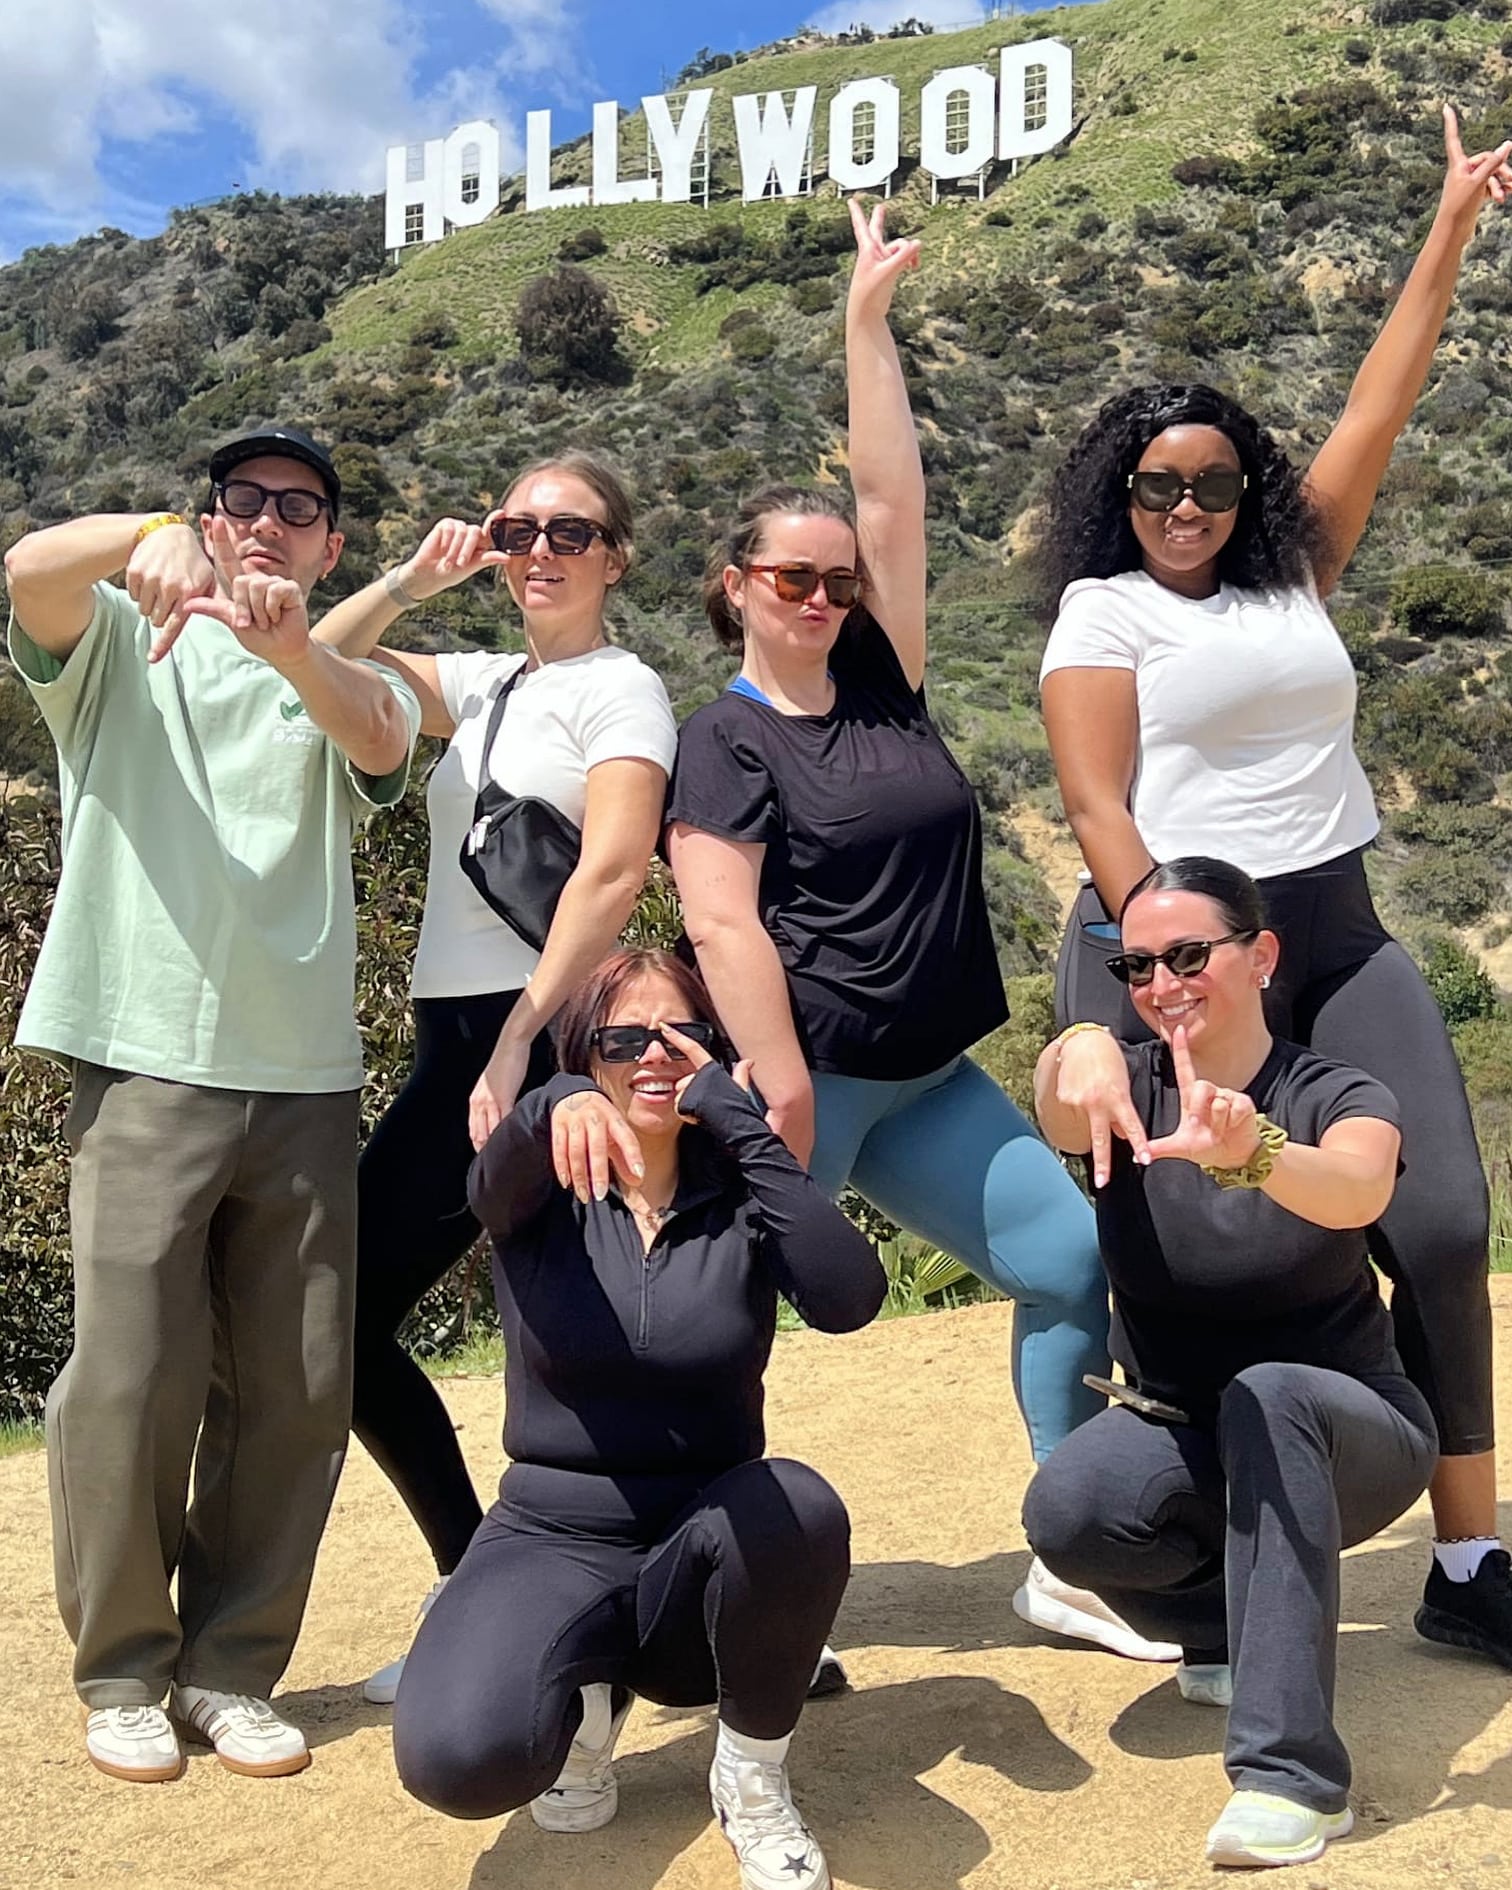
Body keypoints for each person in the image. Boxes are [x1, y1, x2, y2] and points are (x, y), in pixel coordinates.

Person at [1037, 107, 1512, 1667]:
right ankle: (1181, 1556)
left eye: (1220, 483)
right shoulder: (1101, 613)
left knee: (1438, 1224)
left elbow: (1382, 402)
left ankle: (1470, 1555)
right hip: (1165, 942)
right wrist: (1173, 967)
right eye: (1163, 485)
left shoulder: (1290, 572)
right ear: (1122, 494)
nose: (1192, 508)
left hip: (1339, 924)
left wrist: (1448, 224)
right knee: (1188, 1243)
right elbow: (1101, 801)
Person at [665, 201, 1165, 1663]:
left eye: (834, 580)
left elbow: (891, 505)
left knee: (1073, 1265)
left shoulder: (885, 683)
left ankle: (1071, 1555)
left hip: (927, 1078)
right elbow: (718, 911)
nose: (822, 594)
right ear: (734, 591)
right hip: (801, 1082)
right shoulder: (725, 737)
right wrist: (771, 1076)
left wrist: (864, 329)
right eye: (789, 579)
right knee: (722, 1332)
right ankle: (719, 1597)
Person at [3, 426, 422, 1783]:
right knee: (129, 1379)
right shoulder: (122, 651)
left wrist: (297, 646)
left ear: (330, 546)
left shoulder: (340, 676)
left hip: (302, 1071)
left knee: (297, 1389)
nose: (266, 521)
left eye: (298, 509)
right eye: (242, 499)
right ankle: (123, 1668)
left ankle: (230, 1667)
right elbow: (25, 573)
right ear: (211, 513)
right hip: (140, 1055)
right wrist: (138, 537)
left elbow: (374, 737)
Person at [391, 948, 884, 1890]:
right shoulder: (539, 1191)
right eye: (623, 1039)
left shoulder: (739, 1191)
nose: (654, 1056)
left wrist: (741, 1121)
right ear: (586, 1056)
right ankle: (584, 1702)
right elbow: (486, 1185)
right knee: (455, 1760)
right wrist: (548, 1105)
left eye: (681, 1035)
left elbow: (848, 1295)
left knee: (802, 1507)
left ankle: (750, 1777)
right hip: (549, 1534)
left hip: (708, 1547)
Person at [309, 452, 678, 1701]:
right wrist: (411, 582)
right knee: (344, 1318)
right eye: (519, 529)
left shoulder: (623, 691)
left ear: (616, 554)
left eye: (570, 531)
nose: (538, 552)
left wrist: (525, 1036)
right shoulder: (485, 685)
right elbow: (316, 658)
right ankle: (481, 1585)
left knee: (605, 1333)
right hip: (452, 1046)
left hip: (562, 1041)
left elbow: (616, 872)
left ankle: (692, 1593)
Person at [1025, 857, 1436, 1869]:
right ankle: (1216, 1626)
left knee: (1271, 1395)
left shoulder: (1334, 1090)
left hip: (1352, 1438)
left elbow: (1356, 1190)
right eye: (1138, 968)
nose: (1162, 986)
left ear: (1261, 956)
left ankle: (1291, 1778)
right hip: (1188, 1434)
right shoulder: (1125, 1085)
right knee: (1067, 1515)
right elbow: (1059, 1104)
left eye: (1189, 956)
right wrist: (1074, 1046)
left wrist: (1253, 1154)